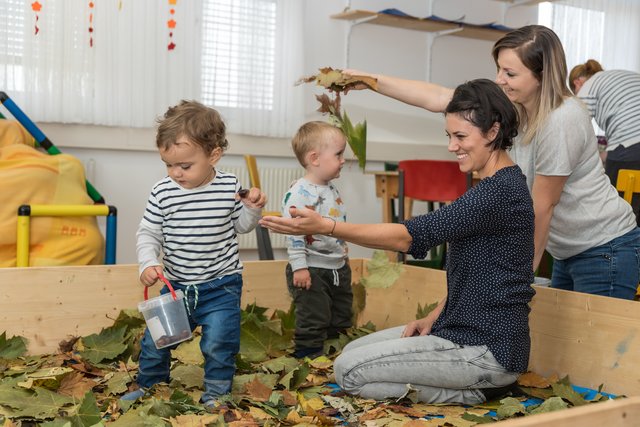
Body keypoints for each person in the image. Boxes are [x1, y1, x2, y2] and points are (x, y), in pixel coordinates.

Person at [261, 79, 534, 404]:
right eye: (449, 136)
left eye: (460, 136)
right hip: (456, 329)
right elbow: (482, 275)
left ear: (492, 132)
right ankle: (470, 381)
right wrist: (434, 316)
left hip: (487, 349)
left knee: (348, 370)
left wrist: (327, 226)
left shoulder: (498, 192)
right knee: (352, 351)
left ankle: (475, 391)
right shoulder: (492, 185)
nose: (451, 146)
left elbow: (409, 237)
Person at [338, 25, 640, 300]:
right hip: (566, 249)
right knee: (562, 354)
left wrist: (519, 282)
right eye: (499, 69)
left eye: (510, 73)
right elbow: (441, 96)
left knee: (597, 353)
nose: (499, 80)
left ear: (541, 74)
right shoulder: (514, 105)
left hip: (605, 248)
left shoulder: (562, 120)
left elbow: (541, 207)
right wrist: (371, 81)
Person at [122, 100, 267, 409]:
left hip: (222, 286)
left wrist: (252, 210)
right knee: (155, 342)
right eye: (168, 164)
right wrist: (148, 262)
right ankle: (151, 388)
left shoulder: (230, 186)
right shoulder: (163, 191)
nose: (176, 173)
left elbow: (241, 227)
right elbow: (148, 233)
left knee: (219, 344)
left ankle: (216, 394)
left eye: (185, 166)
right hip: (177, 288)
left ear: (213, 155)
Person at [283, 121, 352, 359]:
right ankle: (307, 359)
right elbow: (294, 235)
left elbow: (335, 223)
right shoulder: (299, 194)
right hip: (311, 269)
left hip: (337, 266)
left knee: (341, 313)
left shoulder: (330, 189)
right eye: (339, 154)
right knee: (313, 317)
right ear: (315, 158)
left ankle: (335, 353)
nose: (343, 159)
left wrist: (342, 251)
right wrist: (299, 268)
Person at [570, 59, 640, 225]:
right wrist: (603, 155)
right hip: (631, 146)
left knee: (618, 212)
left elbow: (574, 129)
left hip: (631, 150)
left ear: (577, 82)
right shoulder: (623, 76)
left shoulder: (587, 86)